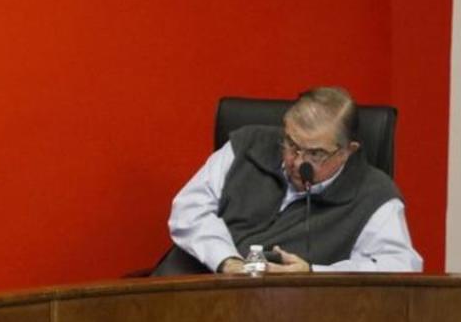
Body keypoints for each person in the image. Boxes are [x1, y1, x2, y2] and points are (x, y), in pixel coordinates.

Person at [169, 86, 422, 273]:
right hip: (202, 291)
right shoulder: (247, 145)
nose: (297, 162)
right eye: (291, 144)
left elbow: (400, 266)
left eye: (315, 153)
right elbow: (188, 210)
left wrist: (312, 273)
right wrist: (226, 260)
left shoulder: (374, 194)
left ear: (348, 151)